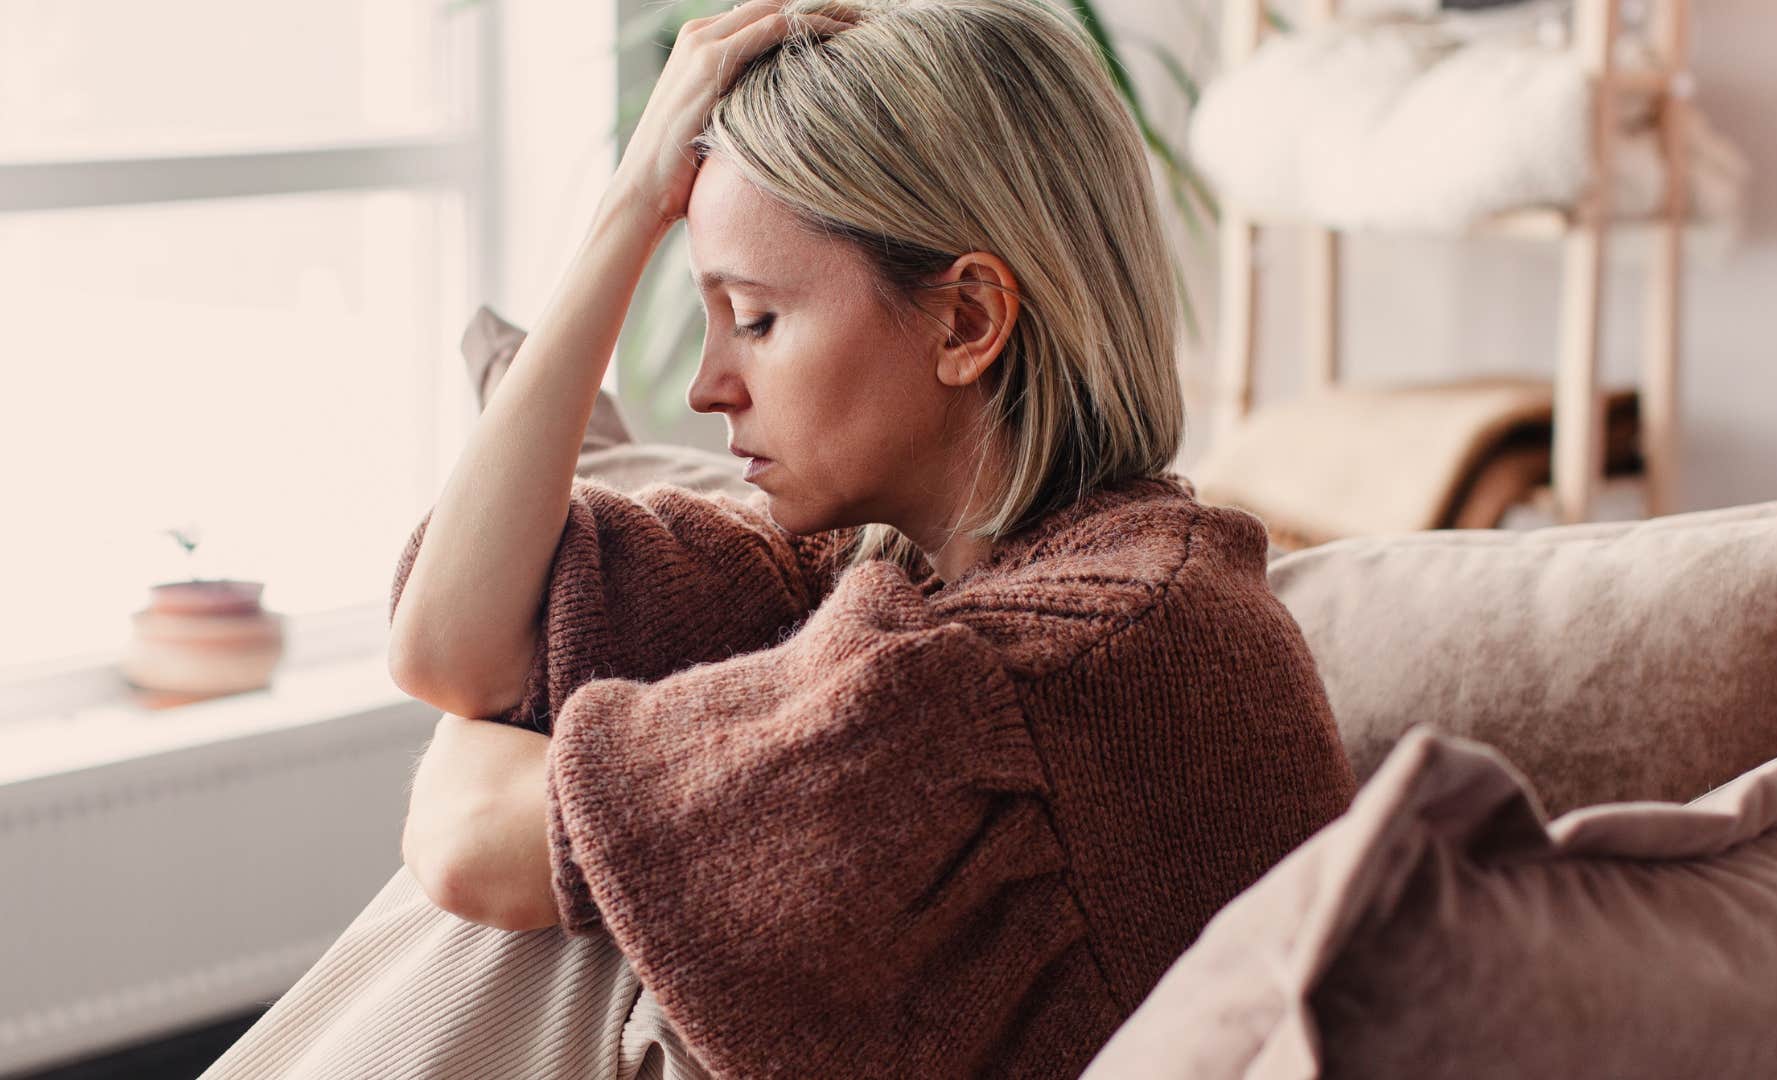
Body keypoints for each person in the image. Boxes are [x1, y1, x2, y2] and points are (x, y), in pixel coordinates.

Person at [217, 2, 1359, 1077]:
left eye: (757, 319)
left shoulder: (1025, 672)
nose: (712, 385)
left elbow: (469, 838)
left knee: (583, 928)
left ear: (965, 321)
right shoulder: (891, 567)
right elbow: (450, 648)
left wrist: (513, 766)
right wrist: (632, 202)